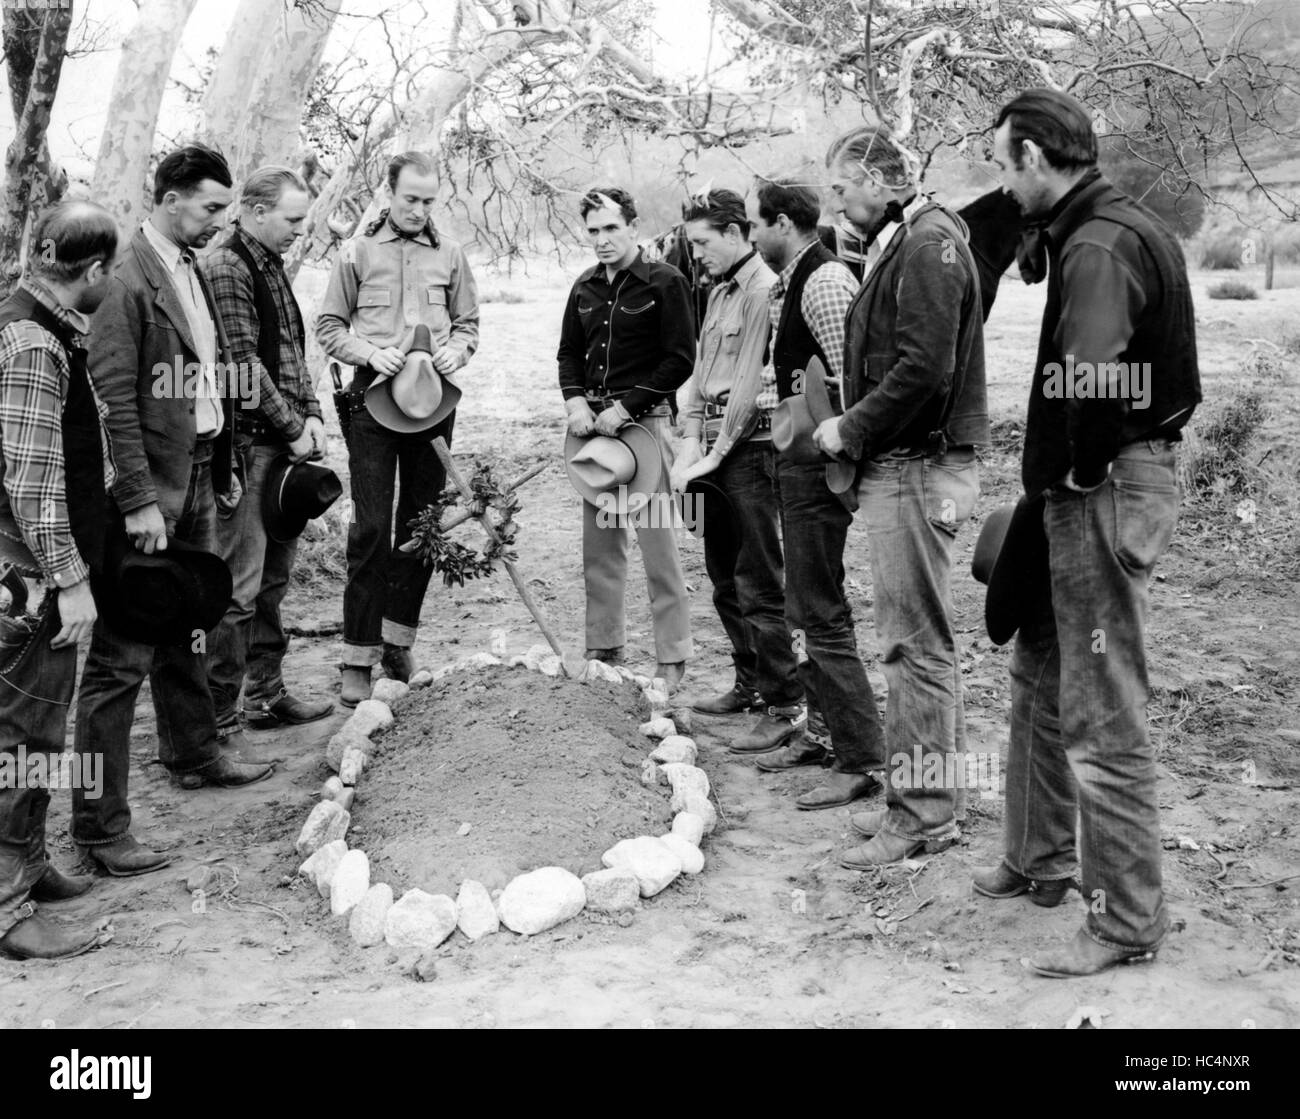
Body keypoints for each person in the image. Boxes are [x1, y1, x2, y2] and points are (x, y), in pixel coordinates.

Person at [977, 88, 1200, 977]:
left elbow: (1093, 377)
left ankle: (1123, 921)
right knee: (1040, 668)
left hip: (1100, 486)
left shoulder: (1101, 239)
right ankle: (1040, 861)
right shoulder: (1101, 222)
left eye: (1004, 162)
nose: (1003, 180)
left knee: (1102, 711)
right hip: (1087, 485)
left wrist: (1077, 470)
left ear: (1035, 156)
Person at [75, 144, 273, 879]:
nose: (223, 220)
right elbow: (113, 402)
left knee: (191, 618)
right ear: (168, 199)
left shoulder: (190, 266)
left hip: (197, 473)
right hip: (148, 492)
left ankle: (193, 751)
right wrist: (137, 501)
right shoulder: (128, 279)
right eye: (212, 207)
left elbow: (204, 387)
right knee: (120, 660)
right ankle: (100, 828)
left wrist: (219, 467)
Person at [816, 126, 989, 868]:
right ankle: (920, 801)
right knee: (918, 643)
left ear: (882, 179)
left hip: (915, 467)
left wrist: (849, 428)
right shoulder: (910, 237)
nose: (836, 199)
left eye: (844, 185)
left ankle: (922, 816)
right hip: (907, 464)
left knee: (913, 647)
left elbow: (924, 368)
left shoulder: (926, 244)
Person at [317, 151, 480, 706]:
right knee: (369, 527)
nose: (418, 209)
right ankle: (356, 655)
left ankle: (397, 640)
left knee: (424, 523)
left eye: (429, 200)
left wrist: (458, 351)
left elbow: (468, 324)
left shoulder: (451, 254)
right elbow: (330, 326)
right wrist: (368, 351)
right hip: (370, 399)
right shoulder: (357, 252)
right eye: (410, 198)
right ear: (389, 193)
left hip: (432, 400)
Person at [743, 177, 885, 808]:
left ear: (781, 223)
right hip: (792, 460)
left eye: (753, 225)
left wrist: (842, 463)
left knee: (821, 612)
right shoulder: (790, 280)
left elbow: (855, 377)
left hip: (817, 466)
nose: (750, 236)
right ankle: (824, 734)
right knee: (801, 608)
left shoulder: (824, 281)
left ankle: (860, 757)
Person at [0, 202, 117, 958]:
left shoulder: (34, 321)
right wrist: (69, 580)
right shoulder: (35, 343)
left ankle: (33, 863)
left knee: (38, 724)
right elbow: (34, 480)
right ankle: (8, 906)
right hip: (28, 581)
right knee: (23, 731)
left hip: (28, 571)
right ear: (95, 270)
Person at [669, 189, 802, 752]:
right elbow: (700, 379)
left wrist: (714, 452)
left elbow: (748, 386)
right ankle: (748, 682)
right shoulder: (719, 291)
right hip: (711, 452)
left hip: (749, 449)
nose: (695, 254)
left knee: (758, 580)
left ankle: (786, 703)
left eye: (702, 242)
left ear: (734, 232)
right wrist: (688, 444)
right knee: (723, 575)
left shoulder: (762, 292)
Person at [206, 166, 333, 738]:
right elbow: (240, 366)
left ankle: (264, 695)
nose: (299, 231)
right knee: (238, 588)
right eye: (292, 219)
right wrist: (291, 428)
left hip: (281, 447)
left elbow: (290, 354)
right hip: (248, 449)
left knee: (274, 580)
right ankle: (218, 718)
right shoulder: (229, 264)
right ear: (255, 212)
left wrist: (312, 416)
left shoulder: (270, 263)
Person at [558, 187, 694, 690]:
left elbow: (680, 359)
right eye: (593, 230)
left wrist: (625, 407)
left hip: (647, 426)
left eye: (611, 228)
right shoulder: (584, 287)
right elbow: (568, 354)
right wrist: (575, 401)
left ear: (634, 226)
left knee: (659, 543)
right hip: (595, 435)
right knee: (600, 546)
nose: (601, 240)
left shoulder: (666, 281)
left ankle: (672, 656)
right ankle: (604, 645)